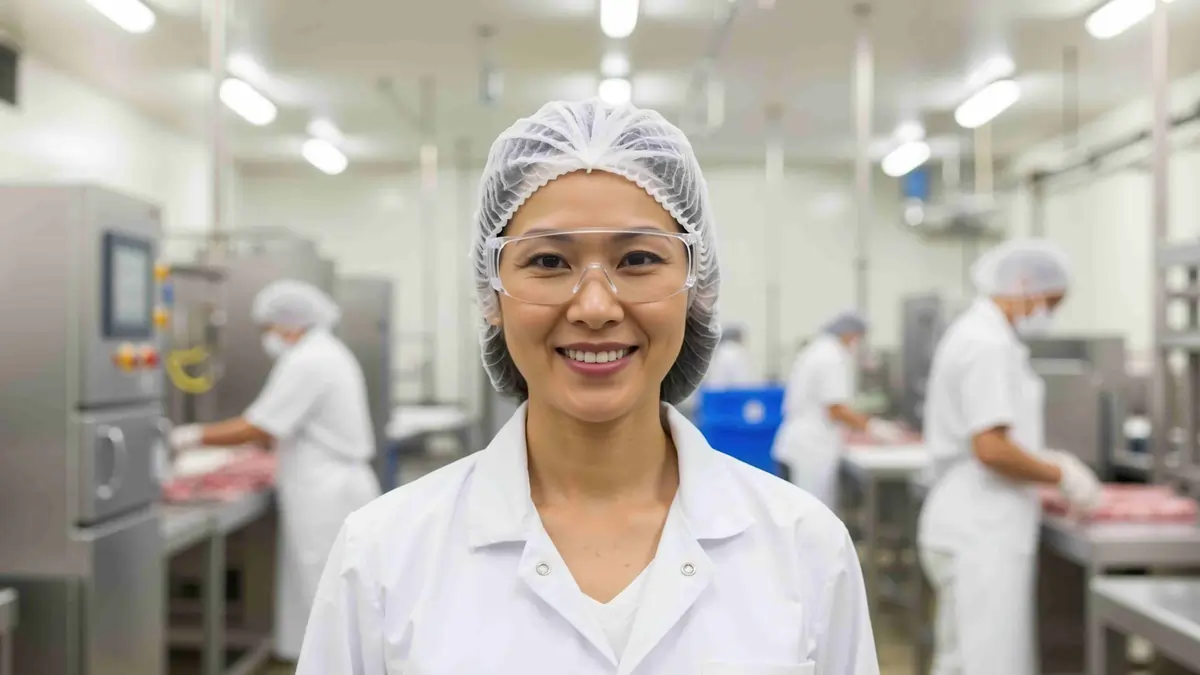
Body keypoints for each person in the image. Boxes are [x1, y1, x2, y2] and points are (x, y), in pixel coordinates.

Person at [296, 99, 878, 674]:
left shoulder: (805, 547)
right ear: (491, 295)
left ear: (696, 286)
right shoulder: (381, 555)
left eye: (640, 258)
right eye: (549, 262)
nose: (595, 307)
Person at [169, 280, 381, 663]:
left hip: (327, 490)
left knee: (327, 589)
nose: (268, 336)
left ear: (290, 323)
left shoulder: (309, 360)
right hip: (324, 483)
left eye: (269, 326)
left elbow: (261, 426)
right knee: (319, 588)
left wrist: (188, 437)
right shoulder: (322, 352)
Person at [916, 240, 1102, 675]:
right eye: (1050, 302)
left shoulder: (981, 335)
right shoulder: (987, 344)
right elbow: (991, 448)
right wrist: (1062, 474)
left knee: (962, 659)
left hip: (970, 518)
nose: (1049, 314)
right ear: (1023, 285)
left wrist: (1040, 462)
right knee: (990, 663)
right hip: (983, 525)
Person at [772, 310, 905, 506]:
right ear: (850, 333)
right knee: (810, 514)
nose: (858, 343)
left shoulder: (819, 349)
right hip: (810, 449)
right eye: (859, 337)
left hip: (802, 444)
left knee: (806, 513)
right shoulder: (831, 356)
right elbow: (836, 409)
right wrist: (874, 428)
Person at [702, 323, 755, 389]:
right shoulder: (736, 352)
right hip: (732, 393)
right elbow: (741, 381)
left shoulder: (719, 352)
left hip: (715, 392)